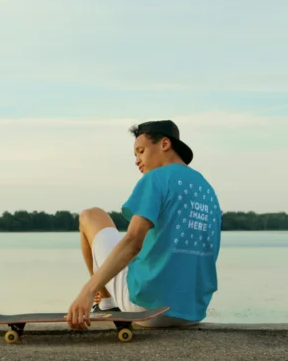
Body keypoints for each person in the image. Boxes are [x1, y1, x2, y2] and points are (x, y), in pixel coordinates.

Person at [65, 120, 222, 330]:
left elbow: (132, 242)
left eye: (141, 151)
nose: (138, 160)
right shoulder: (207, 189)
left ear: (165, 144)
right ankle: (109, 300)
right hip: (192, 312)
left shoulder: (156, 178)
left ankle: (106, 302)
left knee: (90, 216)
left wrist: (87, 291)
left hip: (147, 308)